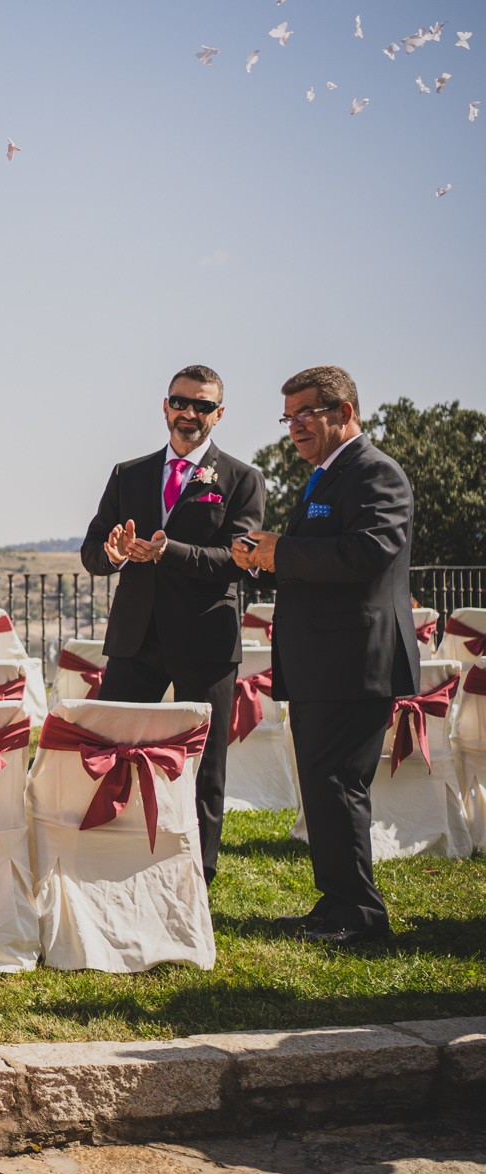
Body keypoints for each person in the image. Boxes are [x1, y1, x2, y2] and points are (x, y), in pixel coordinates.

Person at [234, 365, 416, 948]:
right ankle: (337, 903)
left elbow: (368, 553)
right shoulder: (322, 477)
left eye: (305, 414)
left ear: (345, 412)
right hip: (321, 661)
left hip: (354, 661)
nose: (294, 427)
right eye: (288, 417)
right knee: (322, 784)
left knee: (338, 785)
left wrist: (280, 552)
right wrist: (266, 557)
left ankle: (360, 916)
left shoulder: (375, 473)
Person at [78, 364, 265, 882]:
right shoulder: (127, 474)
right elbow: (92, 549)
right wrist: (113, 556)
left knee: (205, 766)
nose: (189, 413)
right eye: (180, 402)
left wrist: (170, 552)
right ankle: (113, 859)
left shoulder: (243, 480)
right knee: (114, 752)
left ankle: (195, 877)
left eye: (202, 406)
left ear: (218, 415)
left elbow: (237, 559)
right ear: (165, 406)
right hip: (135, 637)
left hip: (205, 640)